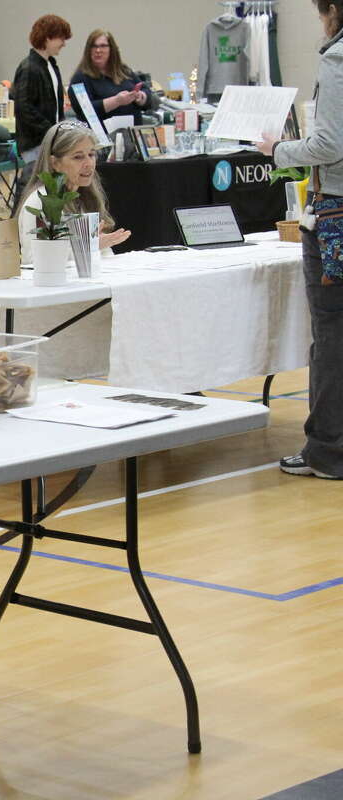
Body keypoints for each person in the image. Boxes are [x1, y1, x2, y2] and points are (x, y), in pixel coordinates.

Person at [259, 0, 343, 480]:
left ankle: (329, 450)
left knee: (332, 334)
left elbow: (330, 143)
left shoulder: (336, 56)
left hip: (335, 213)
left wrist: (279, 149)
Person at [13, 120, 131, 265]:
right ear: (55, 163)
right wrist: (90, 246)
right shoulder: (40, 201)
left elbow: (104, 254)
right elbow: (34, 260)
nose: (89, 163)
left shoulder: (85, 197)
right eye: (78, 157)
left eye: (91, 154)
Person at [12, 14, 72, 204]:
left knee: (45, 194)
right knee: (29, 193)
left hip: (48, 141)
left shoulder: (50, 66)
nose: (64, 43)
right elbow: (24, 108)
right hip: (35, 143)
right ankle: (15, 228)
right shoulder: (29, 67)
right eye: (61, 38)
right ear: (48, 37)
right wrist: (52, 131)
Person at [68, 30, 158, 126]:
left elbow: (147, 92)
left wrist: (141, 96)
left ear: (111, 49)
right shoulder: (80, 77)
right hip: (101, 137)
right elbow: (85, 110)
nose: (98, 50)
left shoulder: (123, 70)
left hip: (132, 134)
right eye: (94, 46)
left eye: (103, 46)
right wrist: (117, 101)